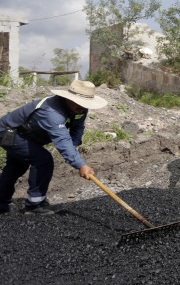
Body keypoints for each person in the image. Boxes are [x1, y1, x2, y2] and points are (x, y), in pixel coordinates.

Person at [0, 79, 108, 215]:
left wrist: (73, 146)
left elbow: (78, 128)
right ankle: (35, 205)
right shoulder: (51, 112)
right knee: (43, 160)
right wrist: (80, 164)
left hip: (27, 136)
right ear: (68, 98)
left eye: (85, 105)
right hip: (9, 132)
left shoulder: (79, 110)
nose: (82, 107)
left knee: (16, 167)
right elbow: (62, 140)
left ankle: (2, 205)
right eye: (79, 103)